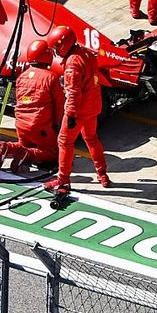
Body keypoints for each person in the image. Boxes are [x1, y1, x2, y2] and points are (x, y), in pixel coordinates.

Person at [43, 26, 110, 192]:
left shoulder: (72, 64)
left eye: (57, 48)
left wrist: (71, 114)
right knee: (91, 138)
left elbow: (73, 91)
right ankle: (102, 174)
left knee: (64, 142)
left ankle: (63, 180)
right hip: (93, 106)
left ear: (63, 45)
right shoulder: (86, 53)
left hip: (79, 110)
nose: (56, 52)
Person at [0, 39, 63, 171]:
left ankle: (8, 147)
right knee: (52, 154)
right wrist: (55, 123)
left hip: (21, 124)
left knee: (23, 145)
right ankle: (27, 154)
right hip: (40, 125)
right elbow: (60, 105)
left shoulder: (22, 76)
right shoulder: (51, 77)